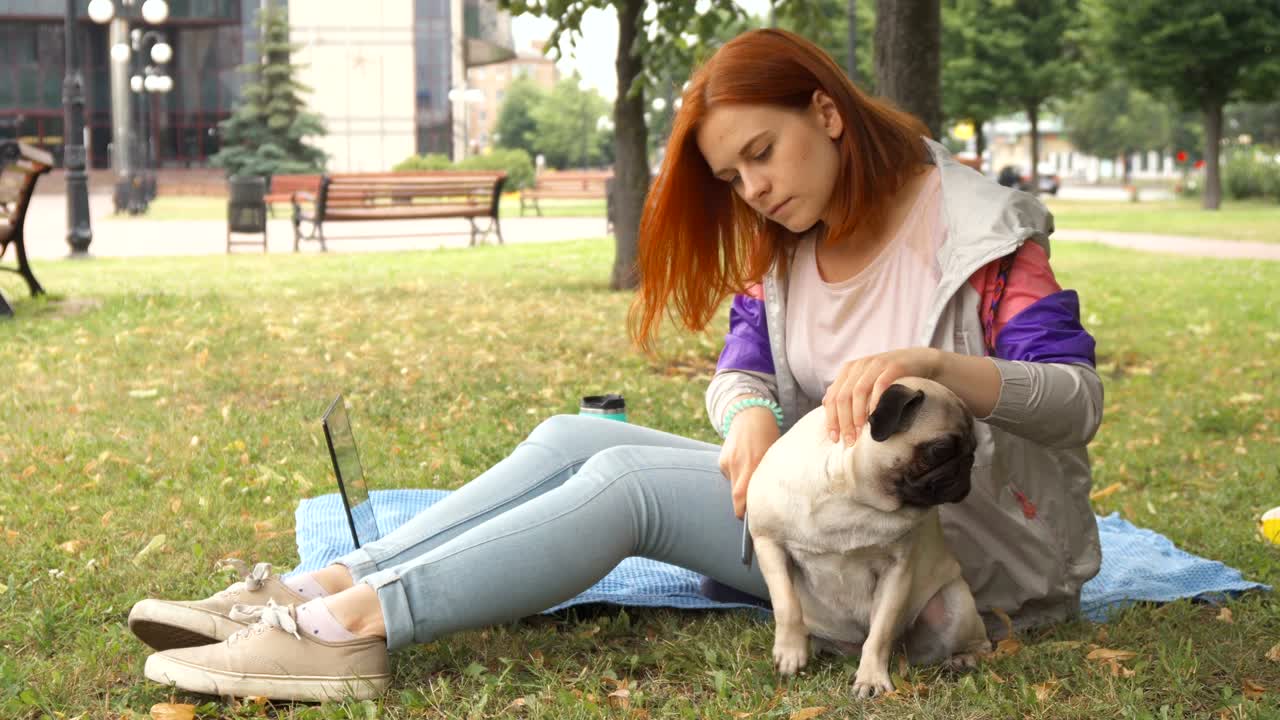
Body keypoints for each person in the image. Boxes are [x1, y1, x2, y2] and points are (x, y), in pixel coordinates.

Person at [130, 28, 1101, 702]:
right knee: (570, 435)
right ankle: (313, 589)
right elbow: (742, 364)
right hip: (821, 512)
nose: (754, 191)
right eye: (733, 177)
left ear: (826, 112)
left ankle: (344, 637)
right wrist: (748, 416)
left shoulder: (979, 233)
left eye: (763, 154)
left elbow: (1072, 403)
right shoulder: (792, 237)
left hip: (951, 555)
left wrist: (937, 363)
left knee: (624, 484)